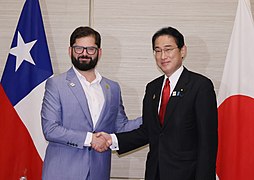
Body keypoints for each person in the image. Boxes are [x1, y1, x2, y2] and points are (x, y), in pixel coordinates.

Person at [97, 26, 218, 180]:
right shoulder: (152, 88)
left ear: (182, 51)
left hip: (188, 174)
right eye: (158, 50)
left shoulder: (200, 86)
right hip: (155, 173)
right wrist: (112, 140)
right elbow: (148, 131)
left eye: (168, 49)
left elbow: (208, 141)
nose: (163, 56)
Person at [41, 26, 142, 180]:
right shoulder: (56, 85)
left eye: (90, 49)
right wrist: (90, 139)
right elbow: (51, 129)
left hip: (98, 172)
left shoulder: (112, 88)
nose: (84, 54)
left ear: (99, 52)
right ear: (70, 51)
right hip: (62, 173)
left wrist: (154, 114)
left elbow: (121, 126)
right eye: (79, 48)